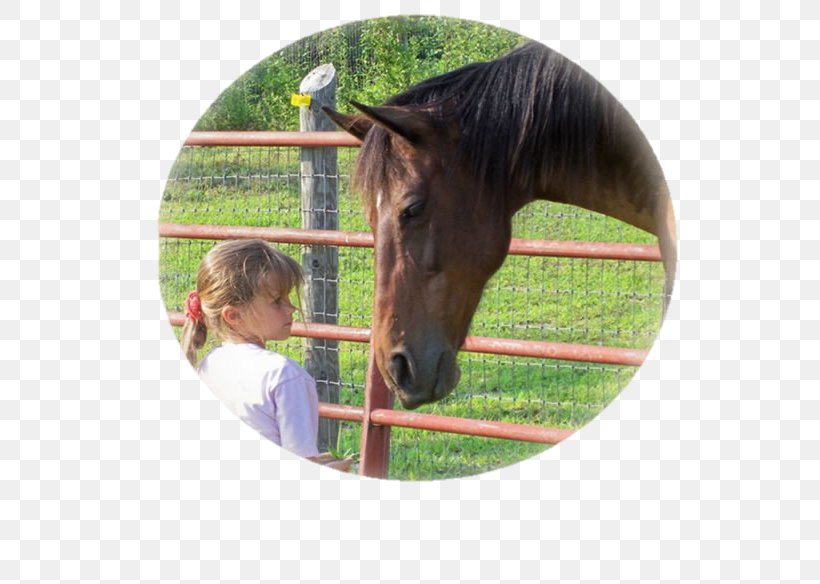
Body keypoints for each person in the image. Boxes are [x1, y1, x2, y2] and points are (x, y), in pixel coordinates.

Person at [180, 239, 353, 472]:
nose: (291, 308)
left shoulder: (209, 366)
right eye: (276, 301)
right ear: (233, 316)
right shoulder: (284, 376)